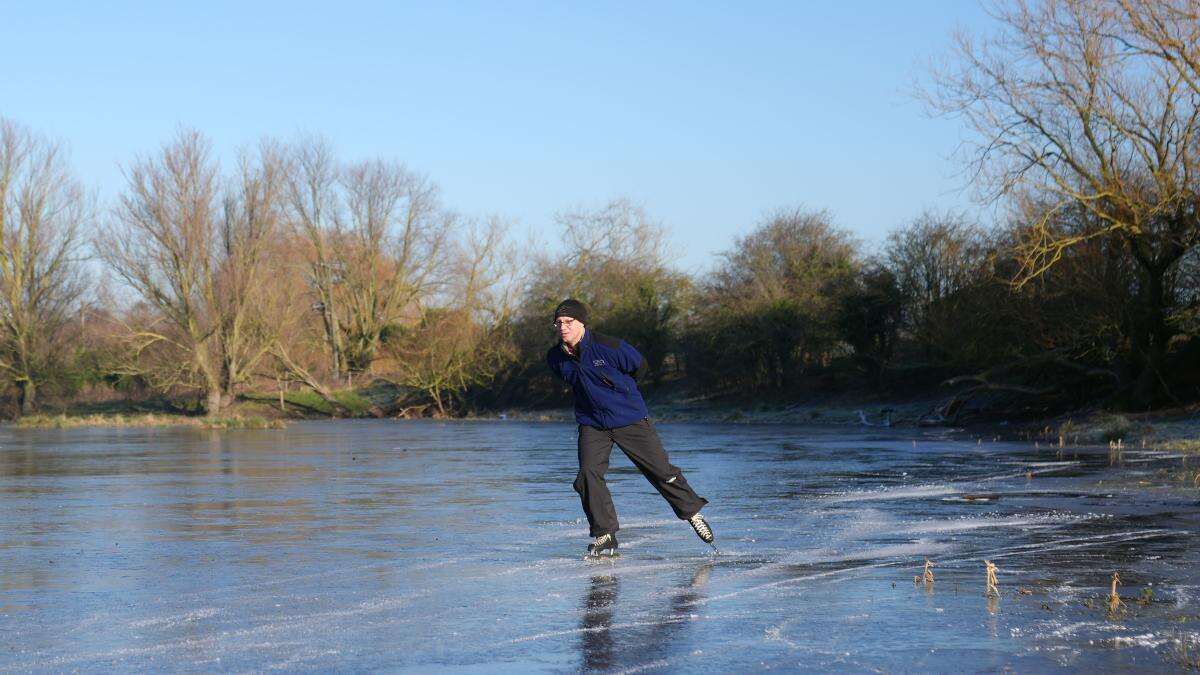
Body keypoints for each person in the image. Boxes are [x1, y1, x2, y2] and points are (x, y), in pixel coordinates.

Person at [546, 298, 713, 557]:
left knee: (659, 470)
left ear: (582, 323)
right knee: (587, 476)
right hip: (592, 424)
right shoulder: (555, 357)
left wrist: (622, 393)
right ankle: (605, 534)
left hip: (629, 418)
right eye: (558, 322)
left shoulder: (609, 346)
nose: (563, 327)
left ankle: (692, 512)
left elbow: (639, 366)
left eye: (569, 322)